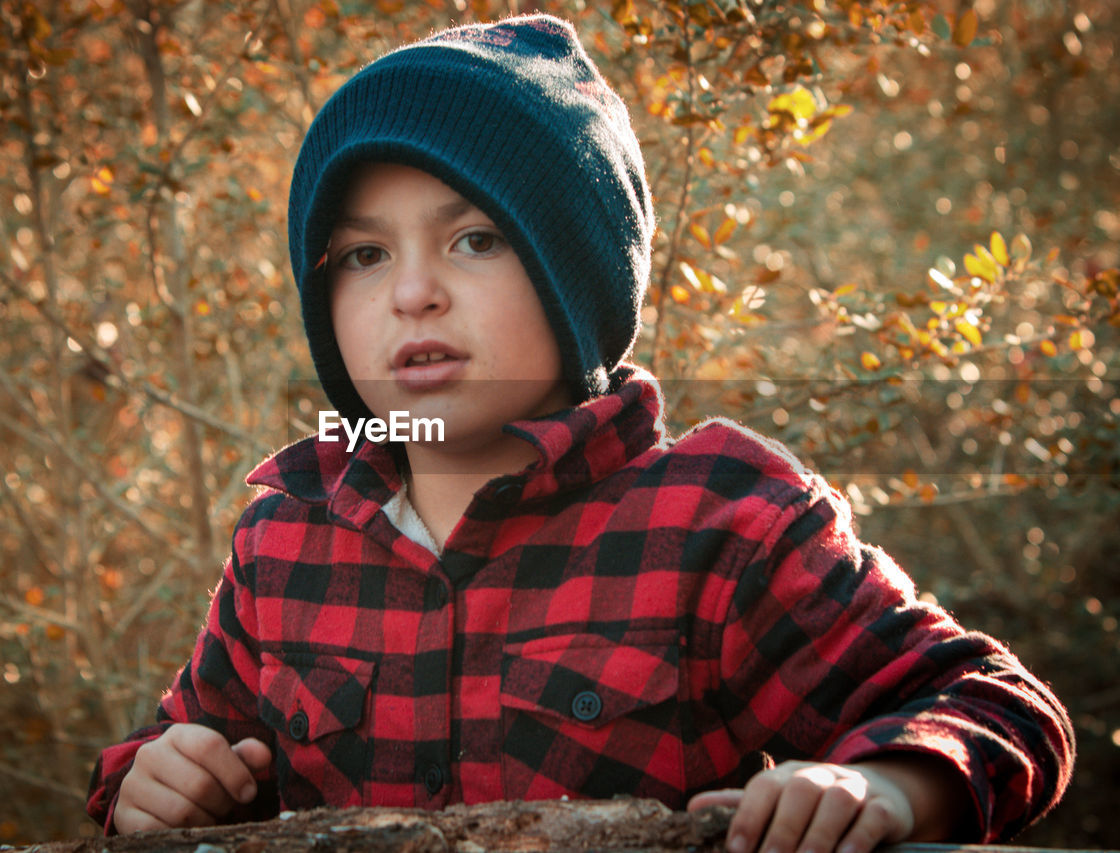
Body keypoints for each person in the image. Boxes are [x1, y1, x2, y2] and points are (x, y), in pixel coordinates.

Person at [86, 14, 1074, 852]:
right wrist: (154, 782)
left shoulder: (719, 519)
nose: (411, 292)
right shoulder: (288, 534)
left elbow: (995, 704)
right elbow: (179, 753)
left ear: (576, 281)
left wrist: (887, 789)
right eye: (362, 253)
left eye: (475, 239)